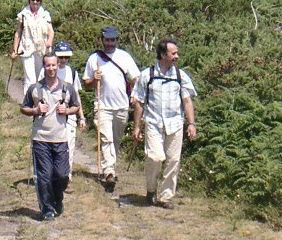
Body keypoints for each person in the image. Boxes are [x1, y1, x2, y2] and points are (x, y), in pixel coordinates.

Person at [132, 39, 198, 209]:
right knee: (155, 157)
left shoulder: (180, 76)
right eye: (173, 53)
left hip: (175, 124)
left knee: (173, 161)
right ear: (163, 55)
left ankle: (165, 197)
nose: (177, 56)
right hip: (154, 123)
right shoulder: (147, 75)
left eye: (176, 53)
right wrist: (137, 127)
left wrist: (191, 123)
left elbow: (187, 101)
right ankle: (151, 189)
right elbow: (139, 102)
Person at [21, 52, 80, 221]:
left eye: (54, 65)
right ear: (44, 67)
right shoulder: (35, 88)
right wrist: (35, 110)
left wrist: (67, 111)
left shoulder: (67, 88)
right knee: (44, 176)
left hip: (61, 138)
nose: (51, 68)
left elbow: (76, 105)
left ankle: (58, 199)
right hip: (40, 139)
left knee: (62, 175)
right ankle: (47, 209)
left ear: (58, 66)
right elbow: (23, 108)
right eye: (48, 65)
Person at [83, 25, 140, 191]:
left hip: (122, 106)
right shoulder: (94, 58)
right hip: (102, 106)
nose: (110, 43)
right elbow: (86, 84)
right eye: (107, 40)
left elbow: (135, 79)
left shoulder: (124, 57)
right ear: (102, 40)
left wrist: (136, 95)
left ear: (117, 40)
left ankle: (110, 166)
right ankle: (109, 172)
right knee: (106, 138)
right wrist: (94, 79)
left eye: (112, 40)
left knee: (115, 140)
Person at [39, 41, 86, 189]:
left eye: (67, 57)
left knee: (69, 145)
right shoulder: (46, 70)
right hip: (50, 115)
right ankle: (52, 175)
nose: (64, 60)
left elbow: (76, 96)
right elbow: (38, 91)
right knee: (51, 145)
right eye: (61, 57)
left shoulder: (72, 72)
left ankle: (66, 178)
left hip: (69, 114)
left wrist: (81, 116)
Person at [11, 0, 53, 94]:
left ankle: (39, 102)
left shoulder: (45, 14)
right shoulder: (23, 14)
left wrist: (49, 42)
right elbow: (18, 32)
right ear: (29, 0)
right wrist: (15, 50)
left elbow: (51, 32)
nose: (35, 2)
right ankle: (28, 103)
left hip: (41, 50)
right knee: (30, 78)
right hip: (26, 49)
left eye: (37, 0)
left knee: (40, 77)